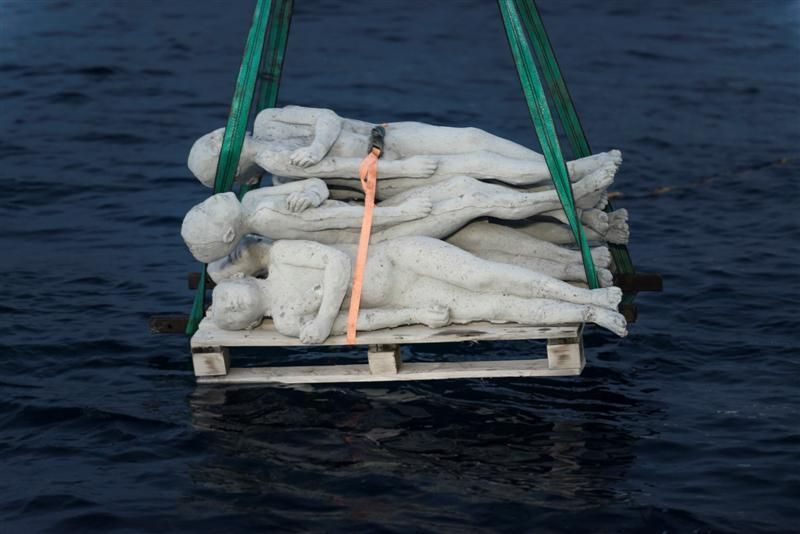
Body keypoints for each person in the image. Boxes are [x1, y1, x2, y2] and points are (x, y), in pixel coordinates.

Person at [206, 235, 628, 343]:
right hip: (403, 298)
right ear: (245, 323)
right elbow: (362, 321)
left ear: (241, 278)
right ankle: (590, 314)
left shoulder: (282, 254)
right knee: (495, 307)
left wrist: (321, 313)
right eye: (228, 311)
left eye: (224, 295)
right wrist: (412, 317)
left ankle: (584, 295)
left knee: (484, 275)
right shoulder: (284, 322)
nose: (230, 303)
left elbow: (335, 261)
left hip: (397, 257)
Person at [181, 163, 616, 264]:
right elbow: (347, 222)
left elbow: (316, 187)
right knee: (474, 202)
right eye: (207, 212)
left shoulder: (254, 201)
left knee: (466, 188)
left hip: (382, 214)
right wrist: (403, 211)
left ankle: (567, 200)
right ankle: (570, 195)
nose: (208, 200)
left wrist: (312, 192)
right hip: (381, 230)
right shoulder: (268, 222)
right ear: (226, 237)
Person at [187, 105, 621, 200]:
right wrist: (409, 171)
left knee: (472, 136)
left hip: (386, 133)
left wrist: (317, 144)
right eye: (215, 148)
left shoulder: (266, 120)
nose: (218, 136)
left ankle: (564, 170)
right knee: (479, 169)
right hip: (391, 164)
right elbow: (341, 169)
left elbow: (327, 117)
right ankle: (570, 178)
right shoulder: (277, 169)